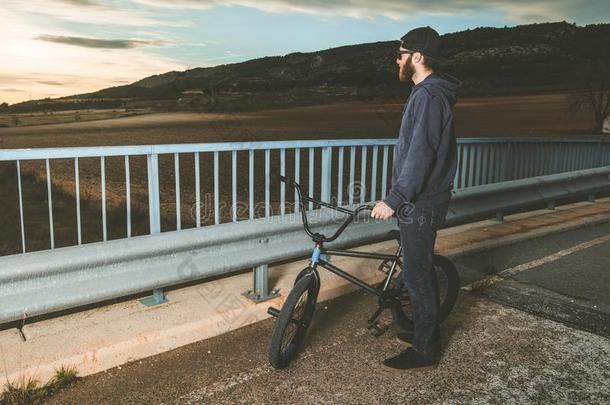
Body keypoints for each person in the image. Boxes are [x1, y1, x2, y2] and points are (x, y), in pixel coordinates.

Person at [370, 26, 461, 370]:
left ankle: (426, 349)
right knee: (417, 272)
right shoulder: (430, 94)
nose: (397, 59)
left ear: (417, 57)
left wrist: (394, 198)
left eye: (401, 53)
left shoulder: (427, 96)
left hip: (422, 202)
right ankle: (424, 332)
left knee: (418, 276)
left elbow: (421, 153)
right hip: (423, 198)